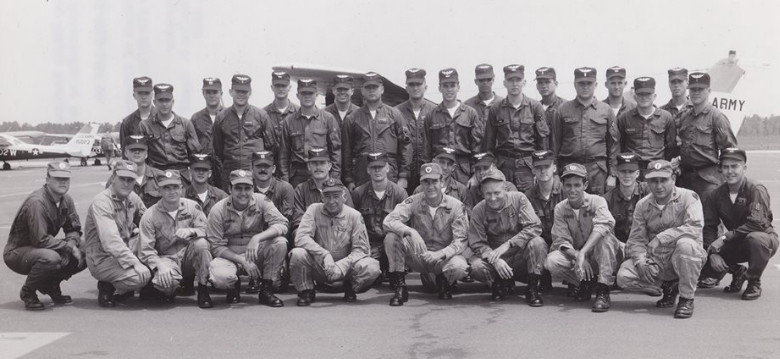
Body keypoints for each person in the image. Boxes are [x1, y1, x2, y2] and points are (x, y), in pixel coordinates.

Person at [616, 160, 706, 319]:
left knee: (686, 245)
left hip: (682, 257)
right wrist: (640, 261)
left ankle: (686, 298)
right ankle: (669, 286)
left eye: (663, 180)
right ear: (647, 182)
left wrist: (661, 237)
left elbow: (694, 228)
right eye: (654, 181)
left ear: (673, 179)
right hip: (657, 260)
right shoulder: (642, 205)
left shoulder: (689, 197)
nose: (658, 186)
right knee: (624, 276)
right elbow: (636, 240)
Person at [383, 163, 469, 305]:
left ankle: (444, 281)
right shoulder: (414, 201)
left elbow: (461, 240)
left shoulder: (456, 206)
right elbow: (388, 221)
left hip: (443, 258)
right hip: (420, 255)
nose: (430, 186)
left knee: (459, 266)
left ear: (442, 181)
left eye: (434, 181)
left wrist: (441, 253)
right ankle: (400, 287)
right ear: (421, 183)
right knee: (391, 237)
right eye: (426, 182)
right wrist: (410, 231)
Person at [4, 161, 86, 310]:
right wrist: (67, 247)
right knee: (50, 258)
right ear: (47, 179)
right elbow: (40, 239)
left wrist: (72, 244)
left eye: (66, 179)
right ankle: (28, 292)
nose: (63, 182)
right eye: (57, 178)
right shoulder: (37, 203)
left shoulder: (66, 199)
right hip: (18, 252)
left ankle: (51, 284)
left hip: (42, 247)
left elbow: (74, 228)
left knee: (86, 249)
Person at [700, 148, 778, 300]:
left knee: (755, 239)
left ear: (744, 168)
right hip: (736, 240)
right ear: (720, 169)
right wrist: (712, 253)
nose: (730, 171)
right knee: (702, 266)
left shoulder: (756, 190)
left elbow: (757, 224)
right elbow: (708, 227)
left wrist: (724, 238)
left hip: (764, 240)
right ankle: (738, 271)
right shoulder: (715, 195)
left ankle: (754, 281)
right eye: (726, 167)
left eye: (735, 166)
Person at [291, 178, 381, 305]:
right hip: (320, 265)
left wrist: (341, 266)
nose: (331, 201)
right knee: (297, 253)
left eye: (336, 196)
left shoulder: (354, 216)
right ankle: (307, 291)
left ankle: (350, 287)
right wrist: (324, 254)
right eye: (327, 196)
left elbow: (362, 249)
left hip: (346, 269)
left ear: (344, 197)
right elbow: (300, 237)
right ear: (322, 197)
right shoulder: (313, 210)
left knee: (372, 266)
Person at [207, 169, 289, 307]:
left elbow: (282, 224)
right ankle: (233, 287)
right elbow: (215, 246)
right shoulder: (218, 210)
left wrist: (257, 238)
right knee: (221, 278)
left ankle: (266, 290)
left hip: (255, 252)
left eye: (247, 188)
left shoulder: (262, 201)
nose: (243, 193)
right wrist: (241, 260)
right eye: (238, 188)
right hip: (230, 255)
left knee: (280, 242)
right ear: (229, 189)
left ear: (253, 188)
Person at [544, 163, 619, 312]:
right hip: (579, 257)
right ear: (563, 186)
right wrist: (578, 255)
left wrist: (583, 252)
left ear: (585, 185)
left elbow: (605, 225)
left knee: (605, 239)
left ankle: (603, 290)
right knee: (551, 261)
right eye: (568, 185)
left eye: (577, 185)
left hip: (602, 255)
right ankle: (586, 282)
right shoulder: (560, 208)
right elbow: (561, 239)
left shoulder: (597, 201)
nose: (572, 190)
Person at [468, 168, 547, 306]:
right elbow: (477, 243)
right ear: (482, 193)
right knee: (476, 266)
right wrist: (495, 260)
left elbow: (535, 227)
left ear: (505, 188)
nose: (493, 198)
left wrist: (509, 244)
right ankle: (498, 283)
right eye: (488, 194)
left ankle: (533, 288)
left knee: (538, 243)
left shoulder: (519, 199)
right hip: (495, 258)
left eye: (497, 193)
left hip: (519, 256)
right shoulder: (478, 210)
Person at [138, 170, 213, 308]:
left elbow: (208, 231)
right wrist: (160, 265)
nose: (171, 191)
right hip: (166, 259)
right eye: (166, 188)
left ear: (181, 189)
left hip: (188, 256)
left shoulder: (192, 207)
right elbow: (145, 249)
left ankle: (203, 288)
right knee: (164, 284)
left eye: (175, 187)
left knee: (201, 244)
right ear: (159, 190)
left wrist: (192, 231)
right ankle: (167, 289)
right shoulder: (150, 215)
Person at [84, 160, 150, 307]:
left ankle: (122, 285)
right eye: (122, 178)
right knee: (140, 278)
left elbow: (149, 220)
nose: (126, 184)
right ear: (113, 177)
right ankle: (108, 286)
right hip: (102, 257)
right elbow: (110, 242)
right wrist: (135, 263)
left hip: (123, 251)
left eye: (130, 180)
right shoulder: (102, 202)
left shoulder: (132, 198)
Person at [552, 67, 619, 195]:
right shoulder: (562, 110)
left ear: (596, 84)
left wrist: (613, 174)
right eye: (581, 83)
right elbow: (554, 144)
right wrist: (555, 173)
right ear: (574, 84)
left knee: (598, 208)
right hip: (569, 169)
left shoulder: (606, 110)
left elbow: (614, 144)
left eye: (589, 83)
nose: (585, 87)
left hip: (597, 171)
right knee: (570, 209)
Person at [483, 64, 549, 191]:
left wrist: (540, 169)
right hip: (503, 166)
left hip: (528, 167)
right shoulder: (495, 109)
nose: (514, 84)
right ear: (504, 83)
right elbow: (488, 144)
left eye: (518, 80)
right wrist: (491, 169)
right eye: (510, 80)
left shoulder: (535, 107)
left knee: (528, 203)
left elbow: (543, 142)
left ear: (524, 82)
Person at [342, 72, 412, 189]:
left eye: (375, 87)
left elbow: (406, 146)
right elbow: (346, 151)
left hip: (389, 173)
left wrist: (403, 176)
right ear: (362, 91)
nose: (371, 90)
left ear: (382, 89)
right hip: (362, 174)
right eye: (368, 87)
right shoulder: (352, 118)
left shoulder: (394, 115)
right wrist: (349, 179)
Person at [677, 71, 738, 199]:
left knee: (709, 218)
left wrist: (723, 176)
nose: (696, 92)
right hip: (685, 179)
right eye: (693, 89)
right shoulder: (685, 117)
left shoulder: (716, 117)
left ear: (709, 91)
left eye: (700, 89)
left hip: (708, 180)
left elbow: (730, 151)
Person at [213, 74, 276, 191]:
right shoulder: (221, 118)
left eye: (244, 91)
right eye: (238, 91)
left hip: (255, 175)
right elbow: (218, 150)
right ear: (231, 92)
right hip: (230, 174)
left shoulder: (261, 116)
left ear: (250, 92)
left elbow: (271, 147)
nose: (241, 95)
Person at [352, 152, 408, 279]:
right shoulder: (358, 193)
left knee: (392, 239)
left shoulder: (400, 193)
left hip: (392, 242)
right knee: (369, 275)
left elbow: (406, 226)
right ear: (368, 170)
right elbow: (353, 225)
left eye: (380, 167)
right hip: (369, 245)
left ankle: (395, 271)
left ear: (387, 168)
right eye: (373, 167)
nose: (377, 170)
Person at [248, 150, 295, 293]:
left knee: (277, 286)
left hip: (276, 238)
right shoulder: (245, 188)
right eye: (258, 166)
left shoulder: (285, 188)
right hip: (250, 240)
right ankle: (253, 276)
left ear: (273, 168)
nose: (263, 169)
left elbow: (288, 222)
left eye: (267, 166)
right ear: (251, 168)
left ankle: (279, 268)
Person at [279, 79, 341, 188]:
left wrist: (334, 176)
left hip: (321, 171)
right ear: (298, 95)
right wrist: (285, 179)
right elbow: (284, 153)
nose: (307, 96)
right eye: (303, 93)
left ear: (316, 94)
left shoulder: (328, 119)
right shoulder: (289, 121)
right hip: (298, 175)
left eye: (310, 93)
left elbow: (335, 150)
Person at [422, 68, 480, 184]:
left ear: (458, 86)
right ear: (440, 88)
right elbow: (426, 151)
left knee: (464, 200)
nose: (449, 90)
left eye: (452, 85)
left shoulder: (470, 114)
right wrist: (427, 173)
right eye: (445, 86)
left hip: (463, 170)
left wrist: (475, 175)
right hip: (439, 169)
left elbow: (477, 147)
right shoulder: (432, 116)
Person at [615, 77, 677, 175]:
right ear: (635, 97)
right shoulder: (625, 118)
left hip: (657, 169)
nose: (644, 98)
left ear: (654, 96)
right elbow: (620, 145)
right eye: (640, 94)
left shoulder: (666, 117)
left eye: (648, 94)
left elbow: (671, 147)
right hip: (632, 169)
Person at [139, 83, 201, 180]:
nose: (164, 104)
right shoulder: (145, 125)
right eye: (160, 100)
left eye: (167, 100)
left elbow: (195, 154)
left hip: (181, 175)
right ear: (154, 102)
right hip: (156, 175)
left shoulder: (185, 124)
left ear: (173, 101)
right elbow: (141, 155)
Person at [524, 150, 564, 290]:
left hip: (563, 240)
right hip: (541, 242)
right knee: (536, 242)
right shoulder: (528, 196)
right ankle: (535, 283)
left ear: (554, 168)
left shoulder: (565, 192)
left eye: (546, 167)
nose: (543, 171)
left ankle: (576, 281)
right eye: (538, 168)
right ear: (533, 170)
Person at [395, 69, 438, 193]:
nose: (415, 88)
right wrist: (402, 175)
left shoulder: (435, 110)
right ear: (406, 88)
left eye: (418, 84)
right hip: (404, 175)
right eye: (411, 85)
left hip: (429, 173)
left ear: (425, 86)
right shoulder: (396, 112)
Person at [292, 148, 354, 232]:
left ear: (329, 166)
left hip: (337, 235)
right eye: (314, 163)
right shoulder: (301, 190)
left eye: (322, 163)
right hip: (310, 235)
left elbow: (350, 219)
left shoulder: (341, 190)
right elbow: (298, 220)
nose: (318, 167)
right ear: (309, 166)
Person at [602, 153, 649, 245]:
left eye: (631, 171)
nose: (627, 175)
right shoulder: (607, 199)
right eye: (623, 171)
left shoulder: (648, 192)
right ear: (616, 173)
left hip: (645, 245)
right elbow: (607, 231)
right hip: (619, 246)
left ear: (637, 173)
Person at [264, 71, 300, 177]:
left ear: (290, 87)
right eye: (277, 85)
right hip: (270, 169)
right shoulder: (263, 114)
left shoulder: (298, 112)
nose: (280, 89)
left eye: (284, 85)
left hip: (293, 171)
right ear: (272, 87)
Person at [113, 135, 164, 208]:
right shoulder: (116, 178)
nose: (137, 152)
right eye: (133, 149)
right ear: (126, 153)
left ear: (146, 154)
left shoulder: (159, 177)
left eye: (141, 150)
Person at [190, 77, 224, 186]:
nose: (211, 95)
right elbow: (192, 147)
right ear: (203, 93)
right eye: (208, 92)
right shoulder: (196, 118)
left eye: (215, 92)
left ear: (221, 93)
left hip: (224, 167)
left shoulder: (229, 115)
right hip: (204, 168)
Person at [464, 64, 504, 144]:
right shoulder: (467, 106)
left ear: (493, 79)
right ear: (476, 81)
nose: (485, 83)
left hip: (498, 153)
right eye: (481, 80)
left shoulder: (504, 104)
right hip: (476, 152)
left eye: (488, 79)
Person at [120, 76, 155, 153]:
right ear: (134, 95)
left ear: (152, 94)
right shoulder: (127, 123)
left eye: (147, 93)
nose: (143, 97)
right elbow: (125, 153)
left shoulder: (162, 118)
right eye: (140, 93)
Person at [535, 67, 567, 140]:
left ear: (556, 84)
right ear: (537, 86)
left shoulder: (565, 106)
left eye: (547, 82)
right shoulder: (534, 108)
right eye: (540, 83)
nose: (543, 86)